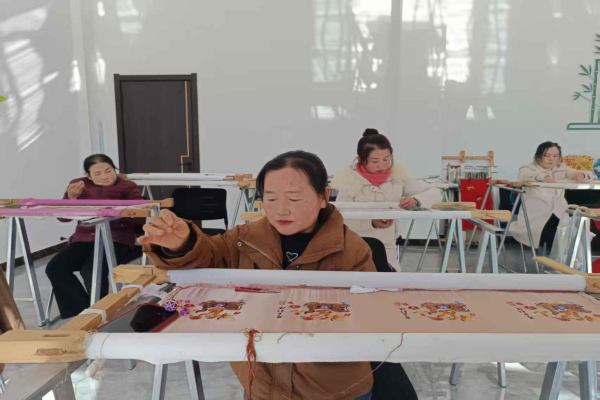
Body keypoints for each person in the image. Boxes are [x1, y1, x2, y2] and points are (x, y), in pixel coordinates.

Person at [140, 150, 375, 400]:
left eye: (294, 198)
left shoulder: (351, 250)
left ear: (323, 197)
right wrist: (182, 244)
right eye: (270, 198)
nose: (281, 210)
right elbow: (208, 255)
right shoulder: (245, 239)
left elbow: (368, 318)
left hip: (333, 390)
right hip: (262, 383)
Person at [45, 154, 144, 319]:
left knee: (92, 269)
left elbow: (141, 217)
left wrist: (119, 210)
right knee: (56, 267)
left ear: (115, 169)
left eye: (109, 171)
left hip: (117, 239)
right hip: (83, 239)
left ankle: (100, 313)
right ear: (88, 176)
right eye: (98, 174)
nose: (105, 176)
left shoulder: (127, 186)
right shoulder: (78, 185)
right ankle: (81, 313)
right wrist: (71, 198)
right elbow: (63, 218)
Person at [331, 129, 442, 271]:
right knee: (362, 279)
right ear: (361, 160)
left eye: (386, 159)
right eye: (375, 161)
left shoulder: (398, 176)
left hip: (387, 243)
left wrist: (416, 200)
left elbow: (435, 193)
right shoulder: (349, 181)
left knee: (390, 278)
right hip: (357, 243)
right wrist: (371, 222)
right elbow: (340, 217)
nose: (382, 165)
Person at [509, 142, 596, 252]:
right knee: (557, 232)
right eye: (547, 155)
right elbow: (524, 175)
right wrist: (544, 177)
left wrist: (582, 175)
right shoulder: (528, 168)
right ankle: (557, 258)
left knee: (577, 228)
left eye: (555, 156)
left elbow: (589, 174)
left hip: (559, 212)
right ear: (538, 156)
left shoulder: (562, 168)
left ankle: (569, 259)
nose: (551, 159)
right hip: (536, 214)